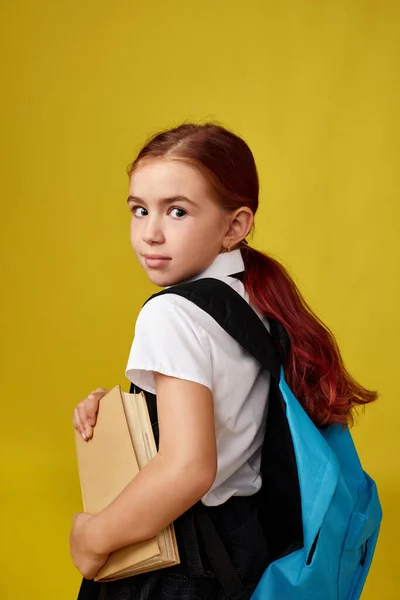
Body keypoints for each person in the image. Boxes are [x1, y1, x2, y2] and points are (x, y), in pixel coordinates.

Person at [70, 123, 377, 599]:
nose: (150, 233)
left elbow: (189, 468)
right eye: (139, 210)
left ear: (235, 225)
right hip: (243, 545)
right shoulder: (254, 301)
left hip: (180, 558)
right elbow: (230, 420)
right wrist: (126, 413)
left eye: (177, 211)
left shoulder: (171, 313)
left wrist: (93, 536)